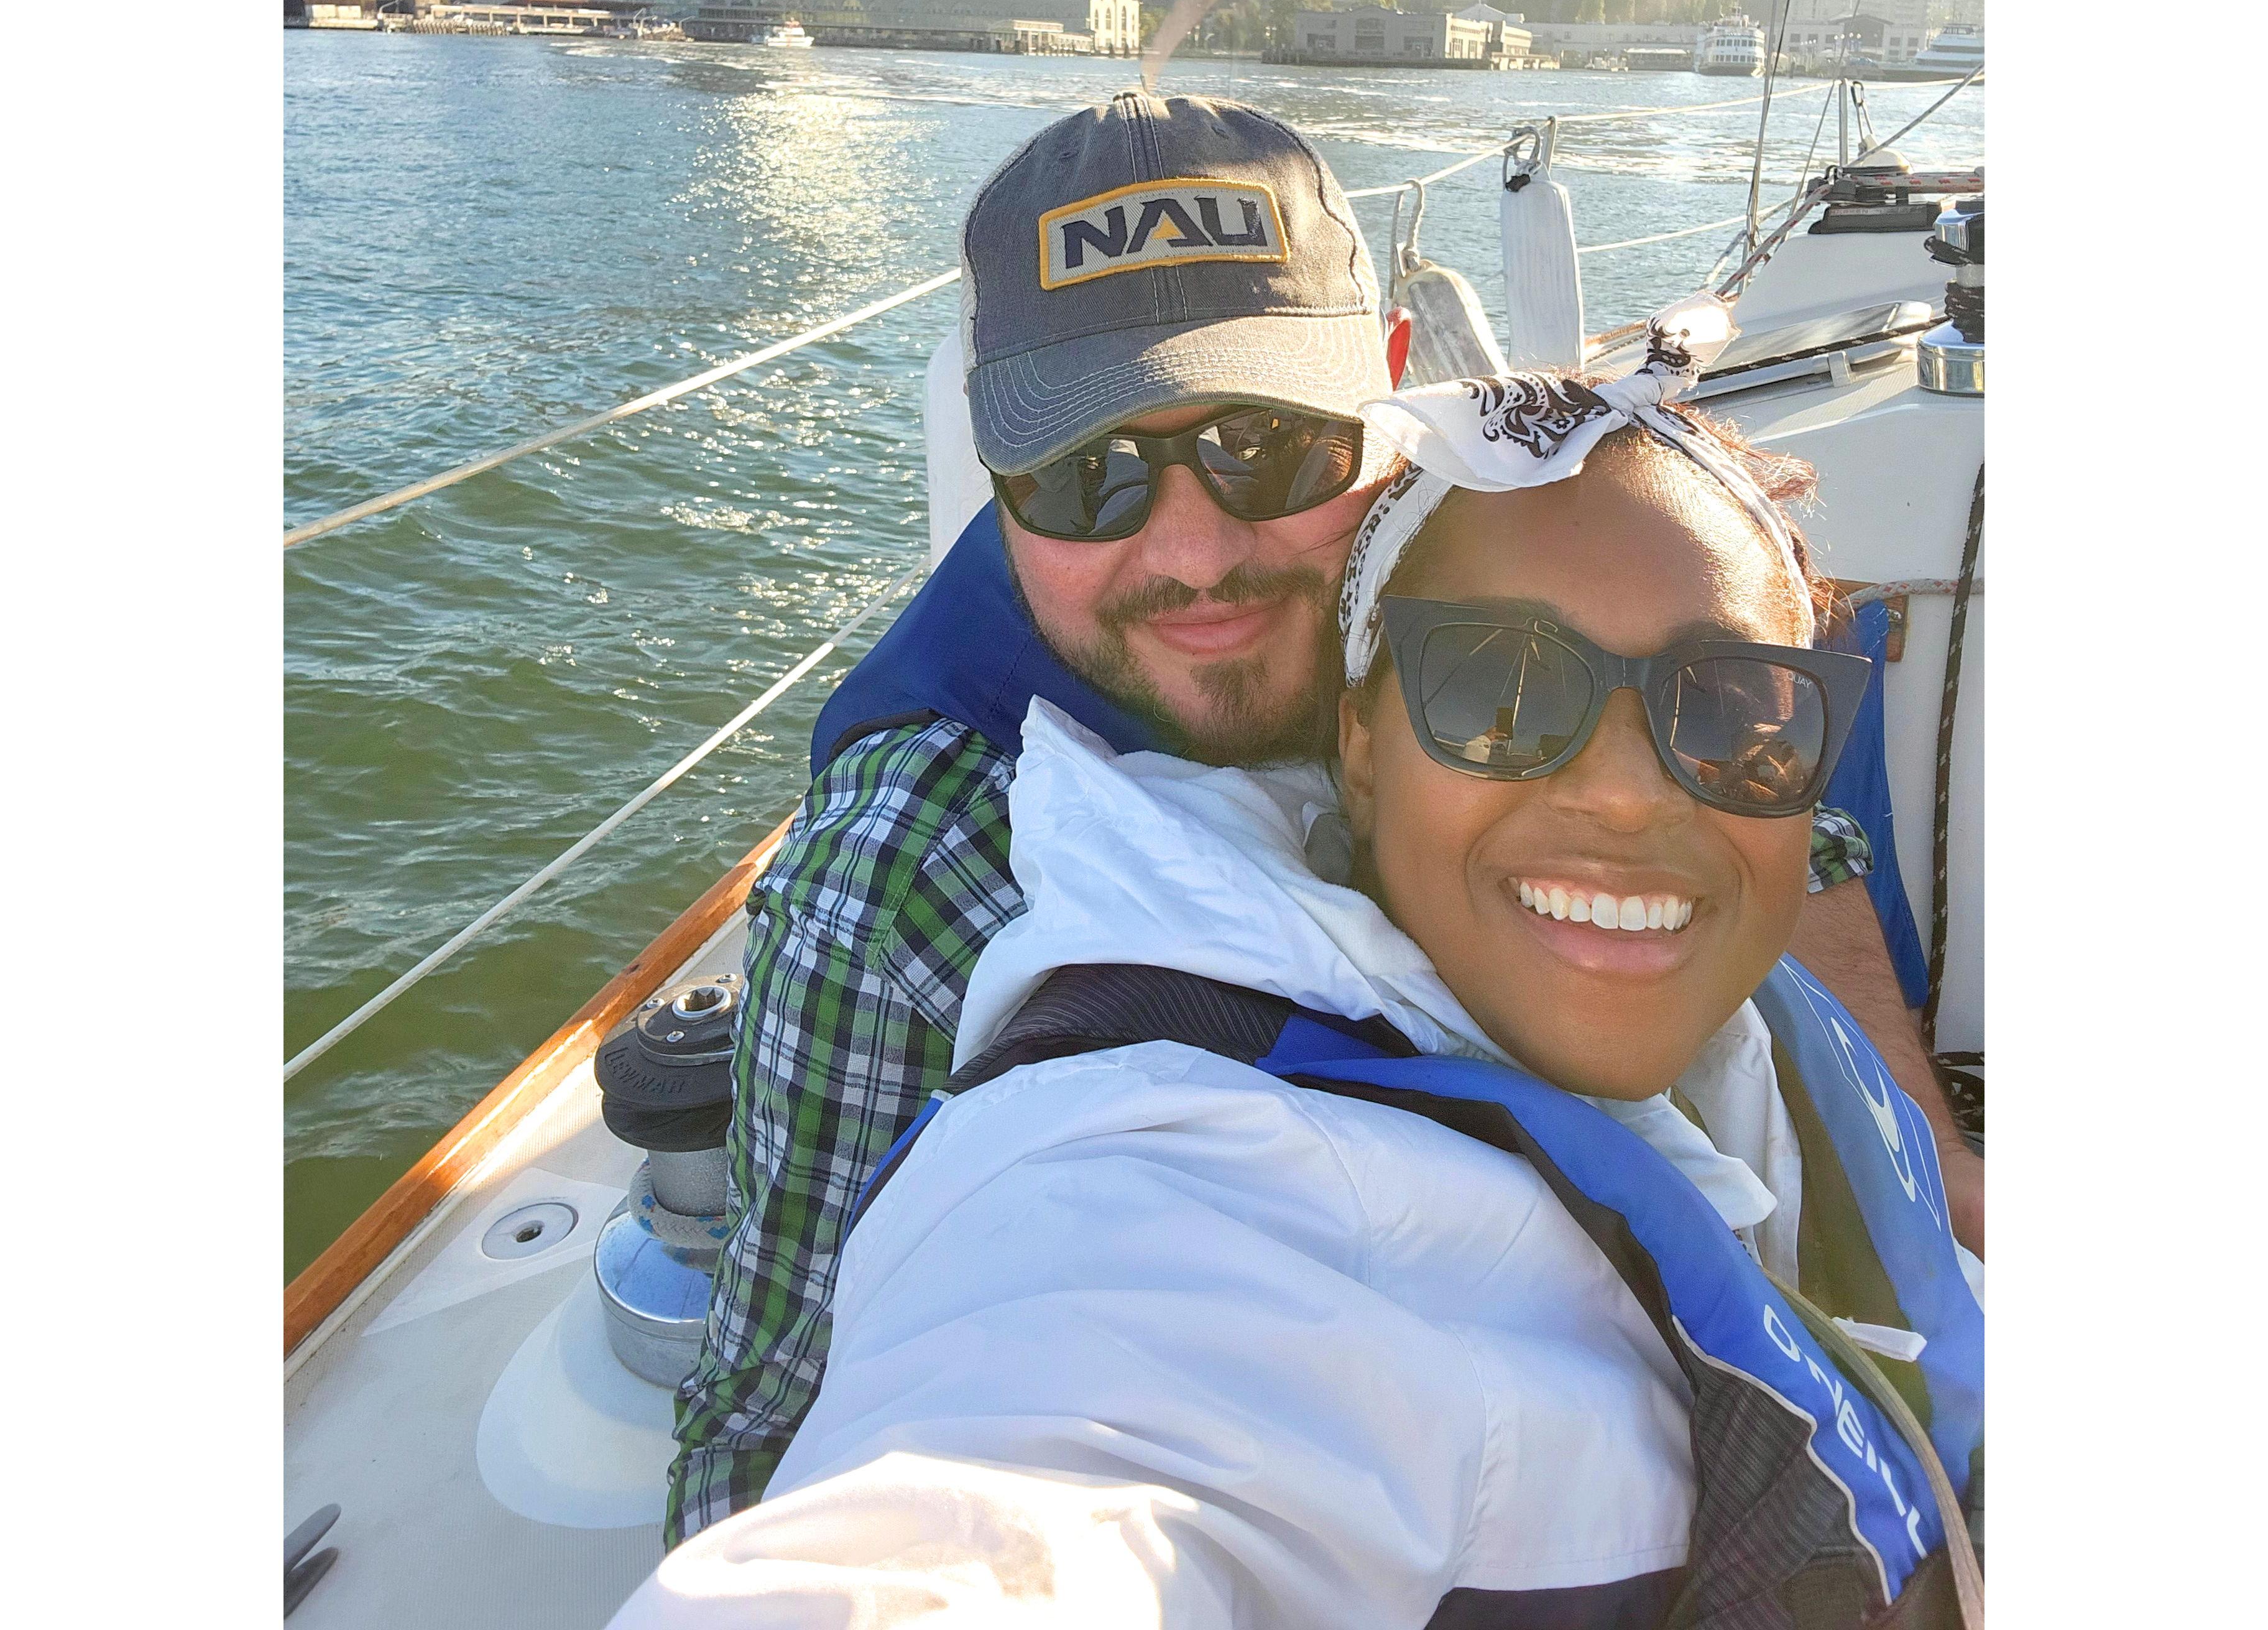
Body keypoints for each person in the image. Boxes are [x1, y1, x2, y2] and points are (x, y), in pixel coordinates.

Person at [665, 91, 1981, 1545]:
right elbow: (781, 1435)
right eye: (1084, 476)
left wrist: (1924, 1169)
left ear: (1392, 398)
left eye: (1267, 446)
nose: (1194, 558)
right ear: (994, 471)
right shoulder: (913, 867)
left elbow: (1796, 825)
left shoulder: (1486, 541)